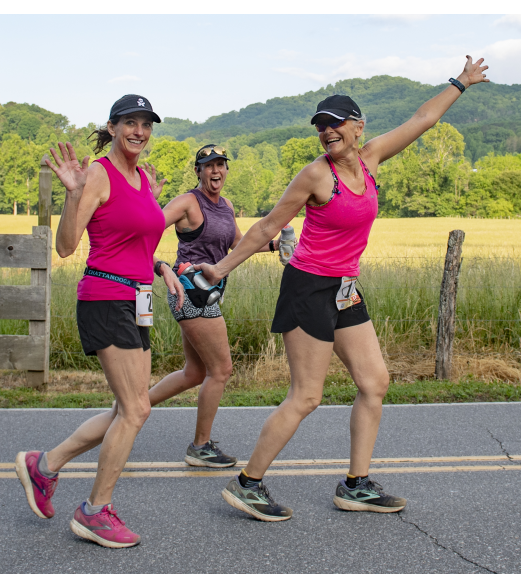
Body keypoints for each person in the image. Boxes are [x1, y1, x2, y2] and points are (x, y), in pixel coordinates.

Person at [198, 57, 490, 521]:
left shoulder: (371, 157)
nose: (327, 131)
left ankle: (356, 485)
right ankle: (248, 484)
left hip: (345, 289)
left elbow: (422, 119)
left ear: (358, 127)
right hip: (308, 287)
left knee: (375, 382)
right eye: (321, 127)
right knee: (307, 396)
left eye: (335, 124)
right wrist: (220, 268)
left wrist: (460, 83)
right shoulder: (316, 175)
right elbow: (268, 227)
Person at [14, 94, 184, 548]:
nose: (140, 132)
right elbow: (67, 246)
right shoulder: (98, 175)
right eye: (130, 122)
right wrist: (73, 195)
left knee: (123, 409)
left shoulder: (144, 179)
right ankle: (95, 511)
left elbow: (138, 245)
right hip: (106, 296)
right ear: (111, 127)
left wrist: (162, 267)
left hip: (138, 298)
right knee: (136, 409)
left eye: (146, 124)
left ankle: (43, 466)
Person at [138, 144, 280, 468]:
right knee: (221, 370)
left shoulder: (226, 206)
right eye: (208, 166)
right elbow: (146, 231)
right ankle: (200, 447)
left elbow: (238, 244)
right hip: (190, 292)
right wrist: (159, 266)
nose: (215, 171)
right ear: (198, 171)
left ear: (226, 170)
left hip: (210, 294)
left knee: (194, 373)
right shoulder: (188, 202)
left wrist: (274, 245)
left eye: (221, 165)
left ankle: (134, 408)